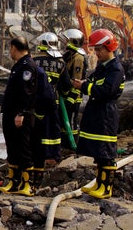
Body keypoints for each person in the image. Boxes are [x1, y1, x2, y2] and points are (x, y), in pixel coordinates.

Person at [73, 29, 125, 199]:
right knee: (98, 152)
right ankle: (99, 182)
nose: (97, 53)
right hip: (97, 112)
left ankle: (106, 186)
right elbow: (92, 81)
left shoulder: (115, 69)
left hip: (106, 114)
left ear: (109, 47)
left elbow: (105, 91)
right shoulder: (103, 67)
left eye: (99, 49)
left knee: (106, 152)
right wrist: (84, 83)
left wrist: (84, 87)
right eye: (95, 49)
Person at [0, 37, 38, 196]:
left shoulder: (27, 66)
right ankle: (13, 182)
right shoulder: (19, 65)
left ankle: (28, 184)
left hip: (20, 115)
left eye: (10, 49)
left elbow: (27, 93)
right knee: (12, 147)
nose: (10, 52)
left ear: (14, 48)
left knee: (23, 148)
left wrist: (22, 113)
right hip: (10, 113)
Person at [31, 32, 70, 190]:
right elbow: (66, 85)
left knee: (37, 130)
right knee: (53, 129)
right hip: (53, 101)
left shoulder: (33, 61)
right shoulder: (61, 63)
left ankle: (37, 156)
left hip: (36, 101)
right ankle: (53, 155)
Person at [59, 28, 88, 146]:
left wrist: (71, 98)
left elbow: (77, 81)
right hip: (66, 94)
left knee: (71, 121)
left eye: (67, 41)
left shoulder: (78, 58)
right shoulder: (68, 55)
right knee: (63, 121)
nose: (65, 43)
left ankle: (73, 144)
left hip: (74, 96)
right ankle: (65, 143)